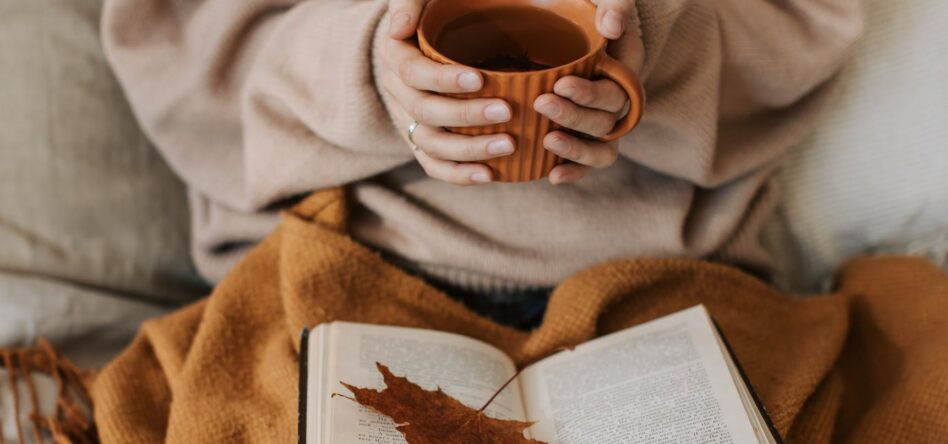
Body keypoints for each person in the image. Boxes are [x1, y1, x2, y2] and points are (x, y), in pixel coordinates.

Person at [101, 0, 864, 328]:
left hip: (667, 280)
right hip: (341, 265)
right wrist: (365, 70)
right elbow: (183, 55)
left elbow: (802, 32)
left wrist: (650, 42)